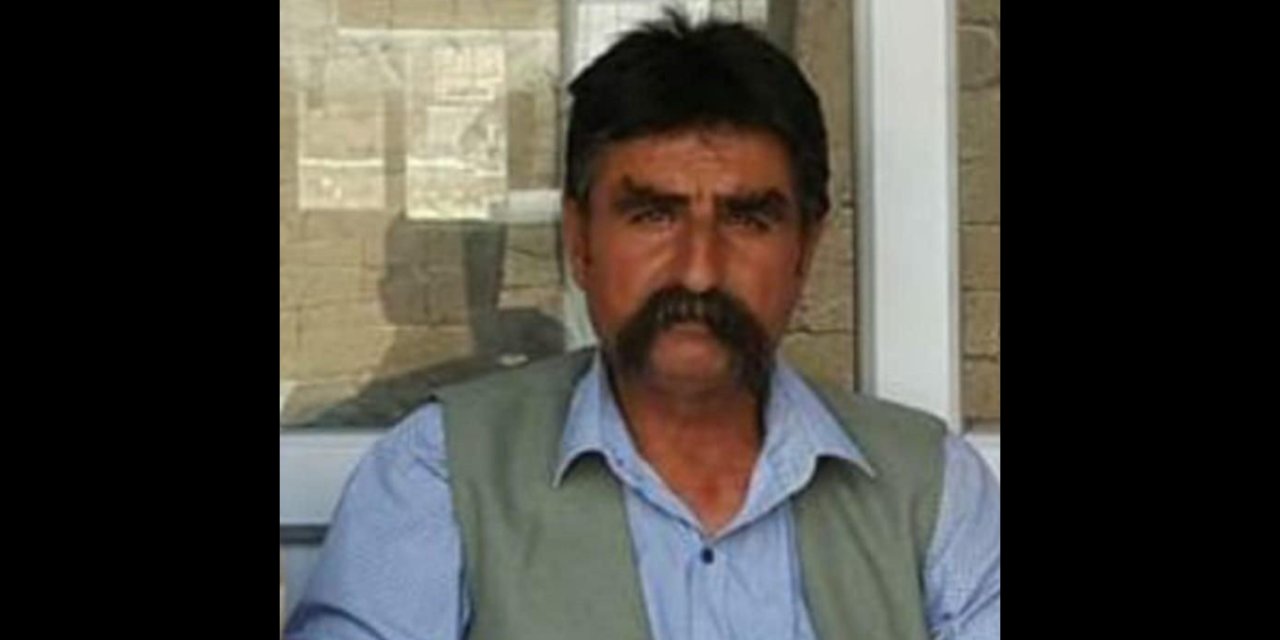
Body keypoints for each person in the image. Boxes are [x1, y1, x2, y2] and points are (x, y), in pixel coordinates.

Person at [285, 10, 999, 640]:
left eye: (747, 219)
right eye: (653, 215)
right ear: (579, 240)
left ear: (805, 249)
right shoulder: (442, 474)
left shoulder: (932, 492)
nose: (699, 272)